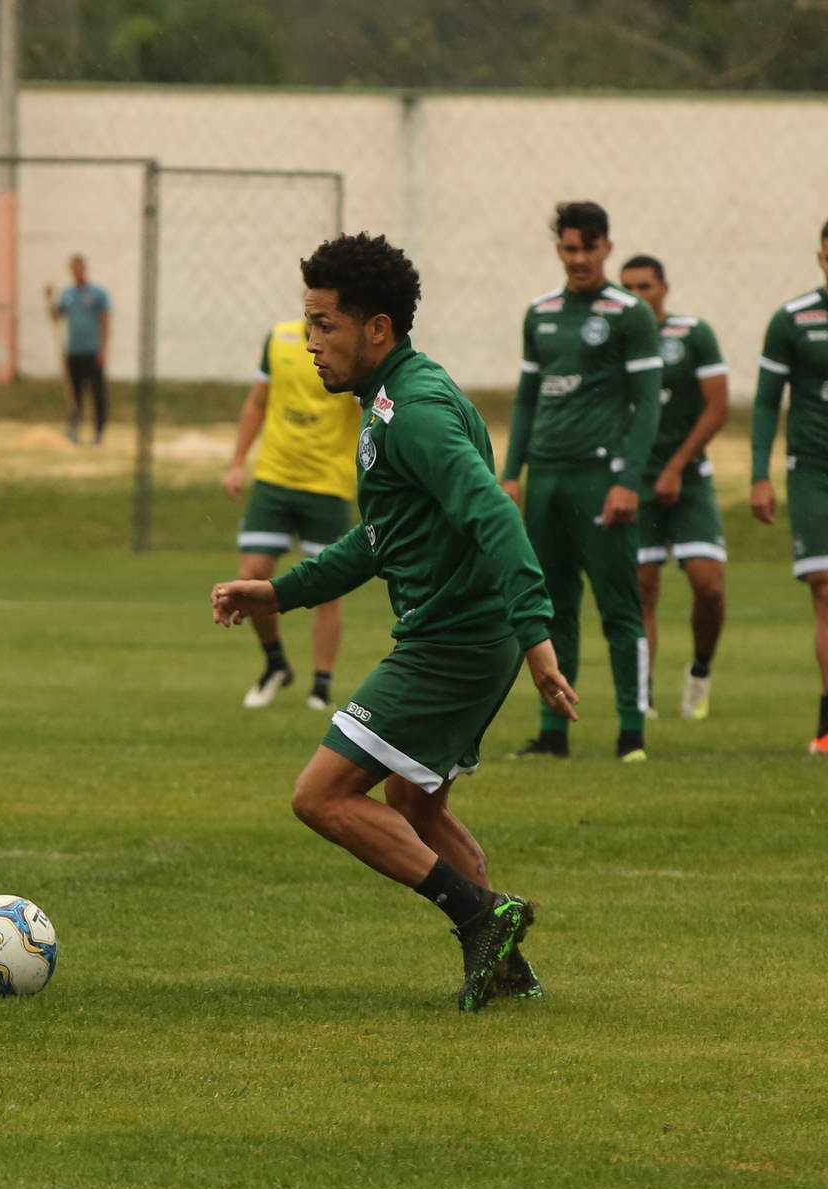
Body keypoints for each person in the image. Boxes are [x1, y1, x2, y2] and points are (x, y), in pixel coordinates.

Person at [211, 233, 576, 1012]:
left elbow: (492, 510)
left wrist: (539, 635)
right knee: (418, 805)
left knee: (322, 796)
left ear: (377, 328)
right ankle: (510, 974)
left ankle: (480, 914)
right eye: (306, 324)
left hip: (454, 643)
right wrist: (280, 593)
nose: (311, 343)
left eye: (325, 325)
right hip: (469, 637)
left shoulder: (412, 413)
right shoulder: (391, 402)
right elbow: (382, 539)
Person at [502, 202, 663, 762]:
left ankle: (630, 732)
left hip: (601, 480)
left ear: (606, 249)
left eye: (587, 249)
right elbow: (526, 400)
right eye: (569, 249)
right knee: (551, 608)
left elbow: (647, 408)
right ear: (559, 249)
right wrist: (511, 473)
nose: (578, 259)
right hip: (546, 478)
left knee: (619, 607)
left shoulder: (629, 314)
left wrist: (629, 482)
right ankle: (553, 730)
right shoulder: (539, 313)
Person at [223, 319, 358, 710]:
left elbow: (367, 408)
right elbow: (257, 402)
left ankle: (321, 685)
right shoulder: (279, 338)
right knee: (251, 575)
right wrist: (236, 462)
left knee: (328, 588)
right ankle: (276, 664)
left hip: (328, 485)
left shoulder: (350, 346)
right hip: (274, 478)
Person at [619, 254, 729, 720]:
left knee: (709, 586)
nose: (637, 297)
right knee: (642, 586)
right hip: (635, 479)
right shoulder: (615, 340)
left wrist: (677, 464)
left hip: (689, 477)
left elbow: (718, 406)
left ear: (664, 288)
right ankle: (643, 700)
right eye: (628, 289)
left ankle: (700, 670)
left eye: (645, 287)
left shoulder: (693, 334)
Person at [750, 219, 828, 755]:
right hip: (813, 470)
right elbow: (763, 403)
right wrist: (759, 474)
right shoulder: (793, 320)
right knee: (825, 589)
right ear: (821, 256)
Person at [44, 254, 111, 444]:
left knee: (97, 392)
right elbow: (56, 317)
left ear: (85, 269)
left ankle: (99, 431)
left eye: (80, 267)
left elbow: (105, 321)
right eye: (74, 268)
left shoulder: (98, 294)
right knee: (75, 394)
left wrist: (103, 348)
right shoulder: (67, 295)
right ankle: (74, 429)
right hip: (73, 351)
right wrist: (50, 299)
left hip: (93, 350)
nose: (77, 271)